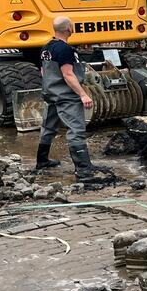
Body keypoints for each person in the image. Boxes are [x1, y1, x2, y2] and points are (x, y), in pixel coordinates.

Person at [35, 16, 114, 182]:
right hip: (66, 97)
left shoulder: (46, 47)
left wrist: (51, 86)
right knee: (76, 131)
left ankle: (42, 161)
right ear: (69, 29)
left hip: (51, 95)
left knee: (48, 128)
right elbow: (68, 74)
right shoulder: (66, 50)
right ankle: (84, 171)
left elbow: (43, 72)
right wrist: (83, 94)